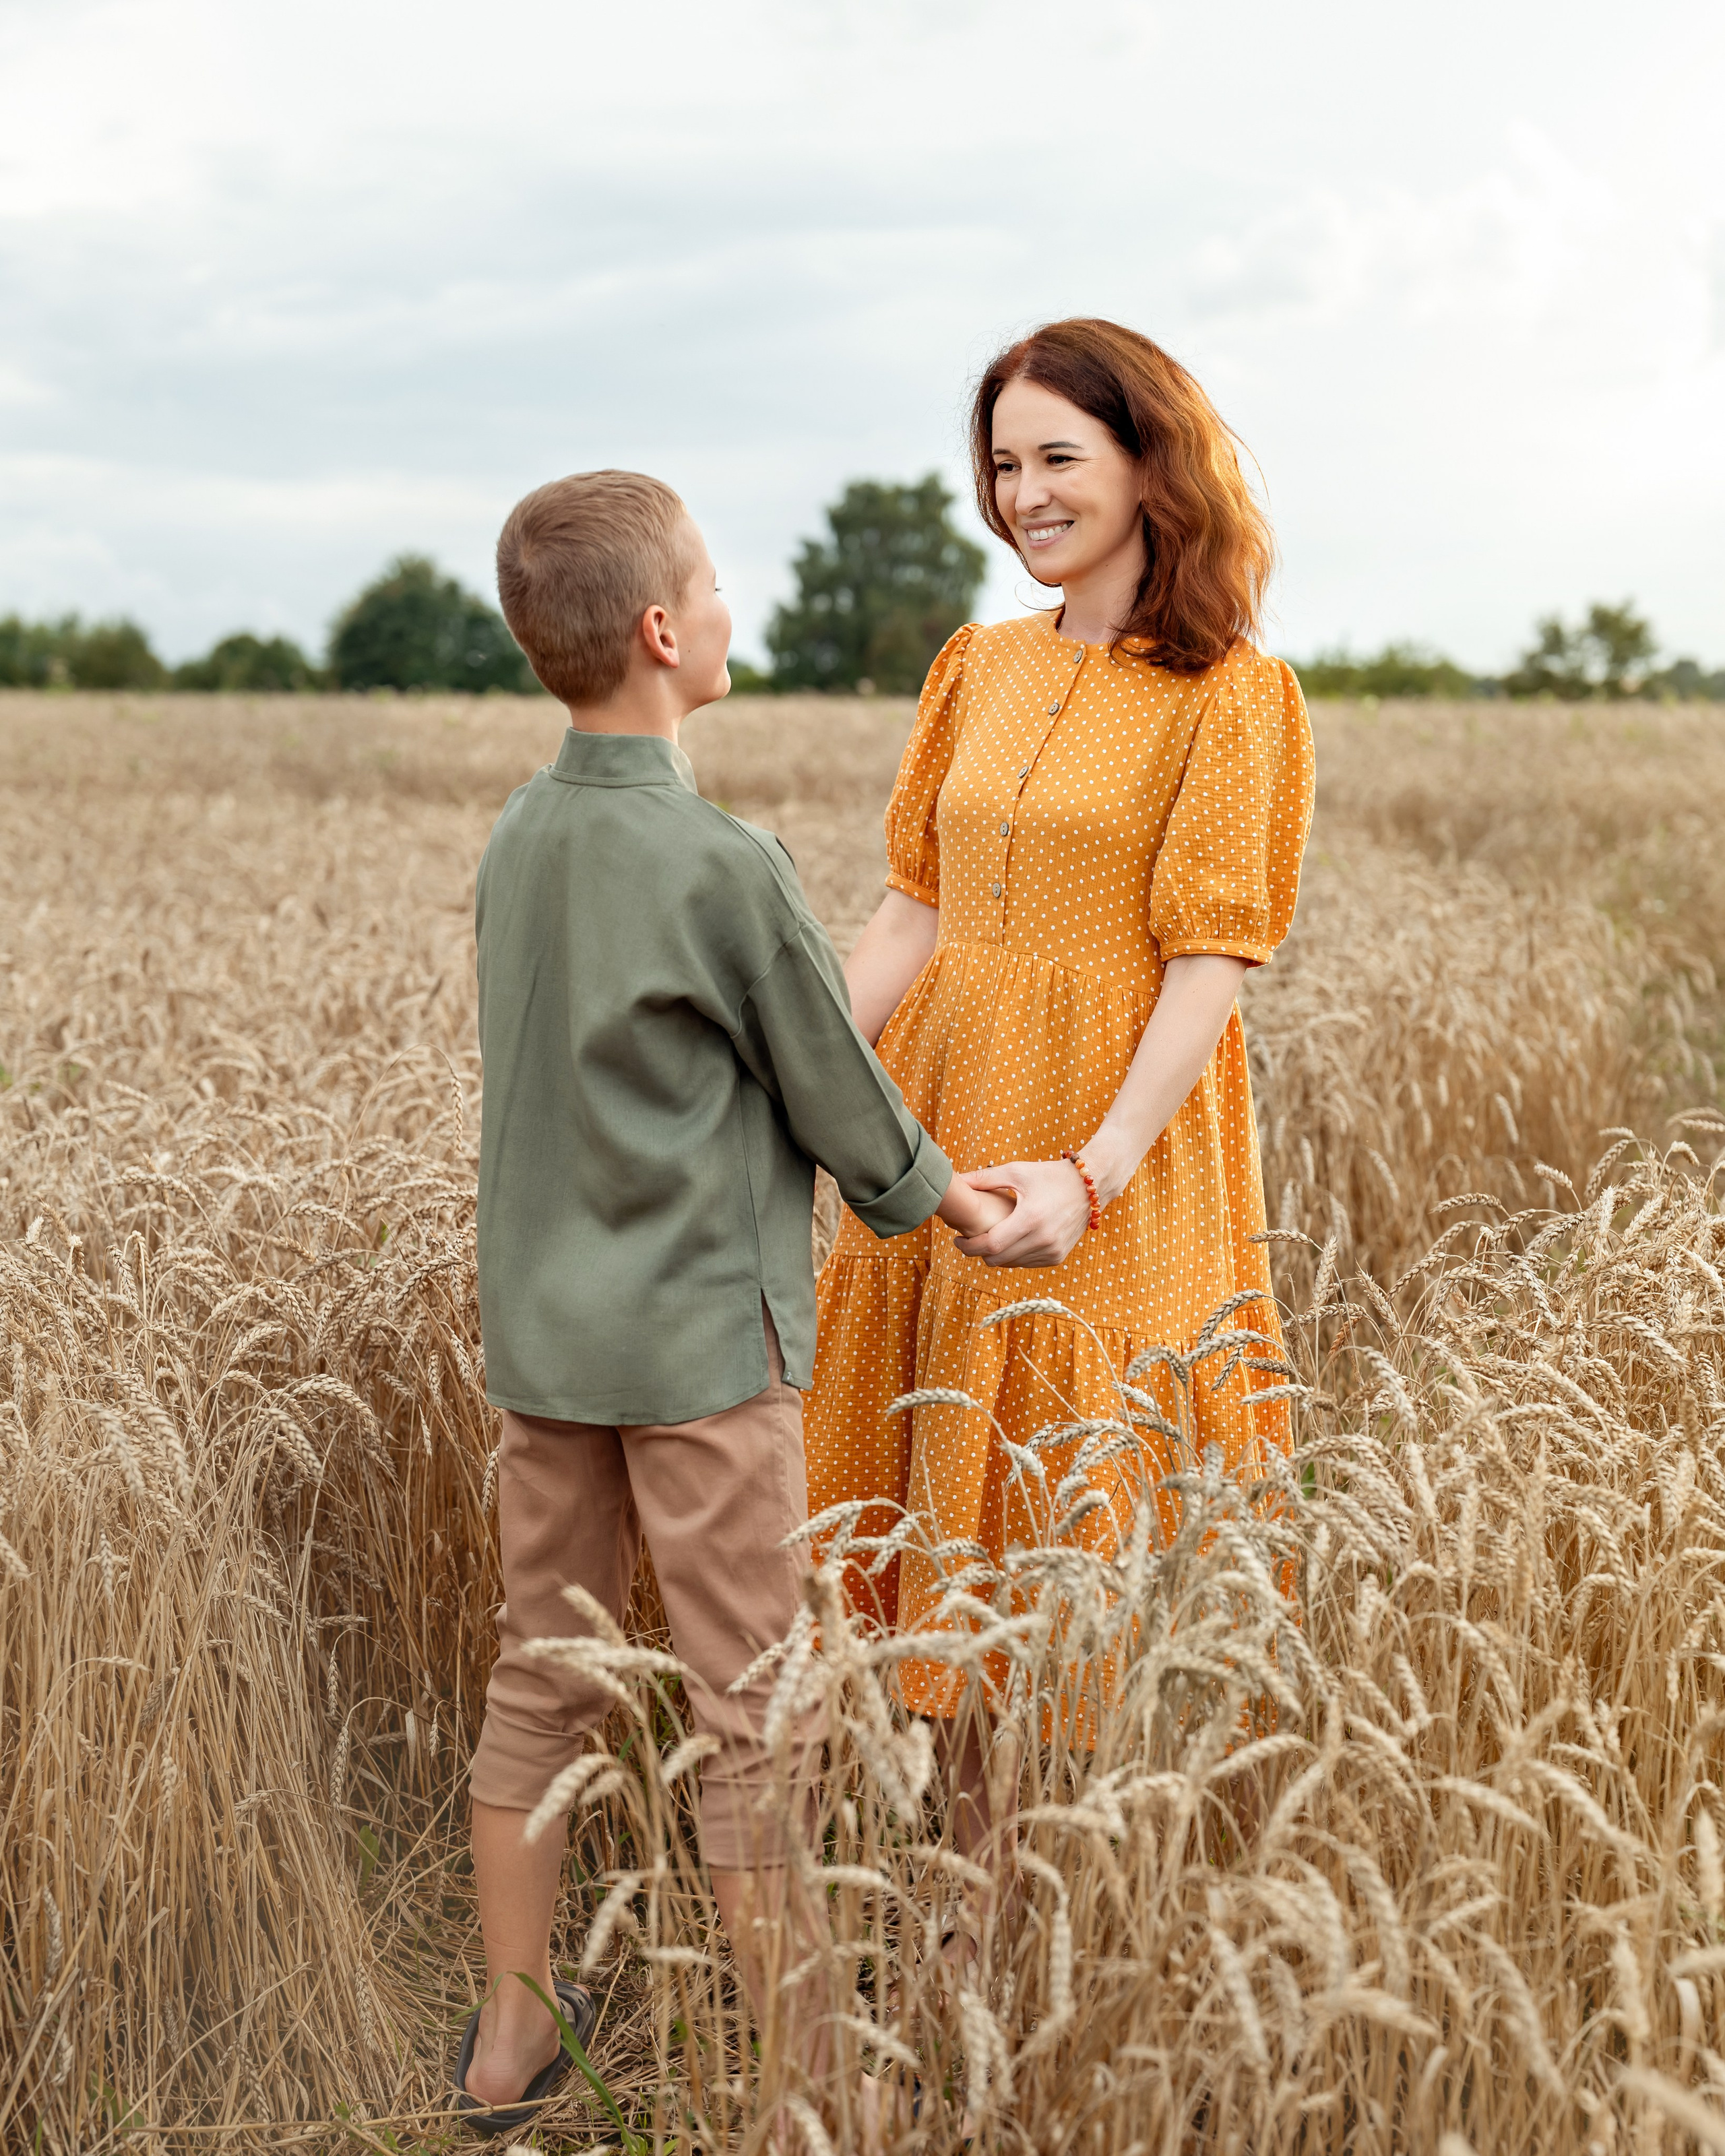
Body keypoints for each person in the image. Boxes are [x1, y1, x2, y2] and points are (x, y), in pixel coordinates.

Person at [454, 469, 1009, 2136]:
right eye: (705, 582)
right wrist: (951, 1199)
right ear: (657, 631)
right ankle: (805, 2082)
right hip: (701, 1346)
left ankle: (504, 2047)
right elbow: (833, 1086)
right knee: (755, 1711)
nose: (723, 604)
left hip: (545, 1343)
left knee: (537, 1674)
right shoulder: (723, 862)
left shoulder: (521, 834)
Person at [805, 317, 1317, 1942]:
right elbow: (911, 910)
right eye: (1002, 464)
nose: (1021, 493)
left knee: (1054, 1525)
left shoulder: (1230, 693)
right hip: (944, 1123)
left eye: (1056, 458)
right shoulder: (978, 663)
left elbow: (1209, 958)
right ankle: (946, 1930)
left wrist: (1094, 1172)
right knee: (932, 1506)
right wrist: (787, 1070)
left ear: (1150, 462)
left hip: (1110, 1143)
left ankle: (1032, 1952)